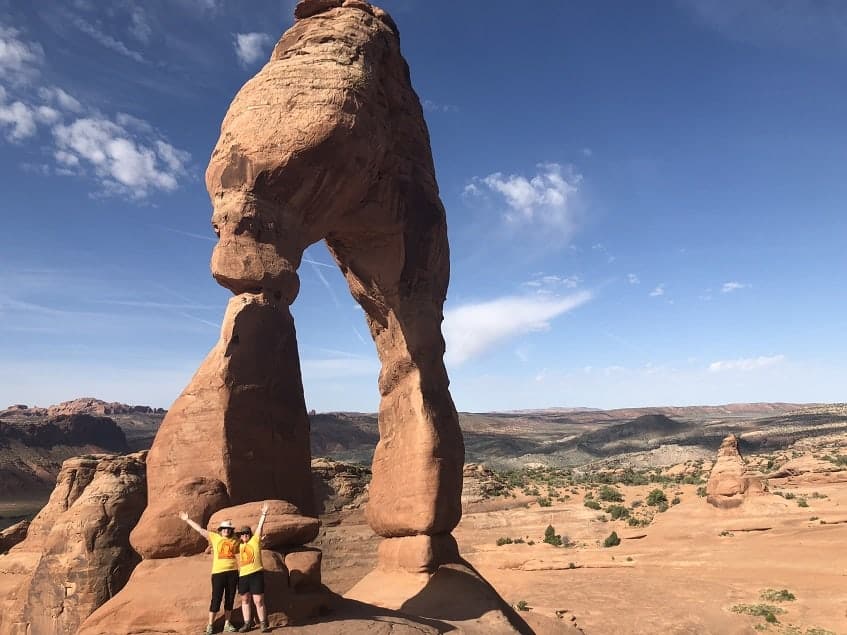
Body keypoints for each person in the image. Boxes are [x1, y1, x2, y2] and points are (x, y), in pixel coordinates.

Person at [178, 511, 239, 634]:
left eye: (228, 529)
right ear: (221, 530)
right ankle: (210, 625)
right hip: (218, 573)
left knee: (230, 598)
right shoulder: (215, 537)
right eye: (224, 529)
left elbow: (248, 541)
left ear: (230, 530)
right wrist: (187, 519)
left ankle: (227, 624)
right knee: (216, 598)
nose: (226, 530)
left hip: (232, 572)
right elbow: (200, 530)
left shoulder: (236, 539)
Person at [236, 502, 271, 633]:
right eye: (242, 533)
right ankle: (247, 623)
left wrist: (264, 513)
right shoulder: (239, 546)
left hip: (256, 574)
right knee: (245, 599)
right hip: (243, 576)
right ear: (240, 536)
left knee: (258, 600)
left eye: (246, 533)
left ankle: (263, 623)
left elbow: (260, 526)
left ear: (250, 534)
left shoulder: (255, 540)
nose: (245, 535)